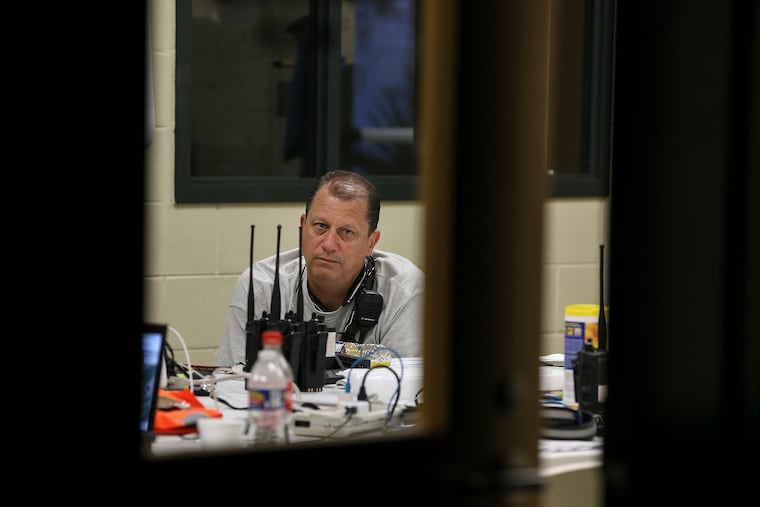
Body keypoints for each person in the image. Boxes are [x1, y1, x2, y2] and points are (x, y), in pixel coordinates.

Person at [218, 170, 424, 366]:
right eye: (321, 226)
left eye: (347, 232)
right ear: (303, 226)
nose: (329, 244)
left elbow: (404, 392)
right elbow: (233, 387)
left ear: (371, 242)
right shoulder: (261, 285)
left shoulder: (405, 292)